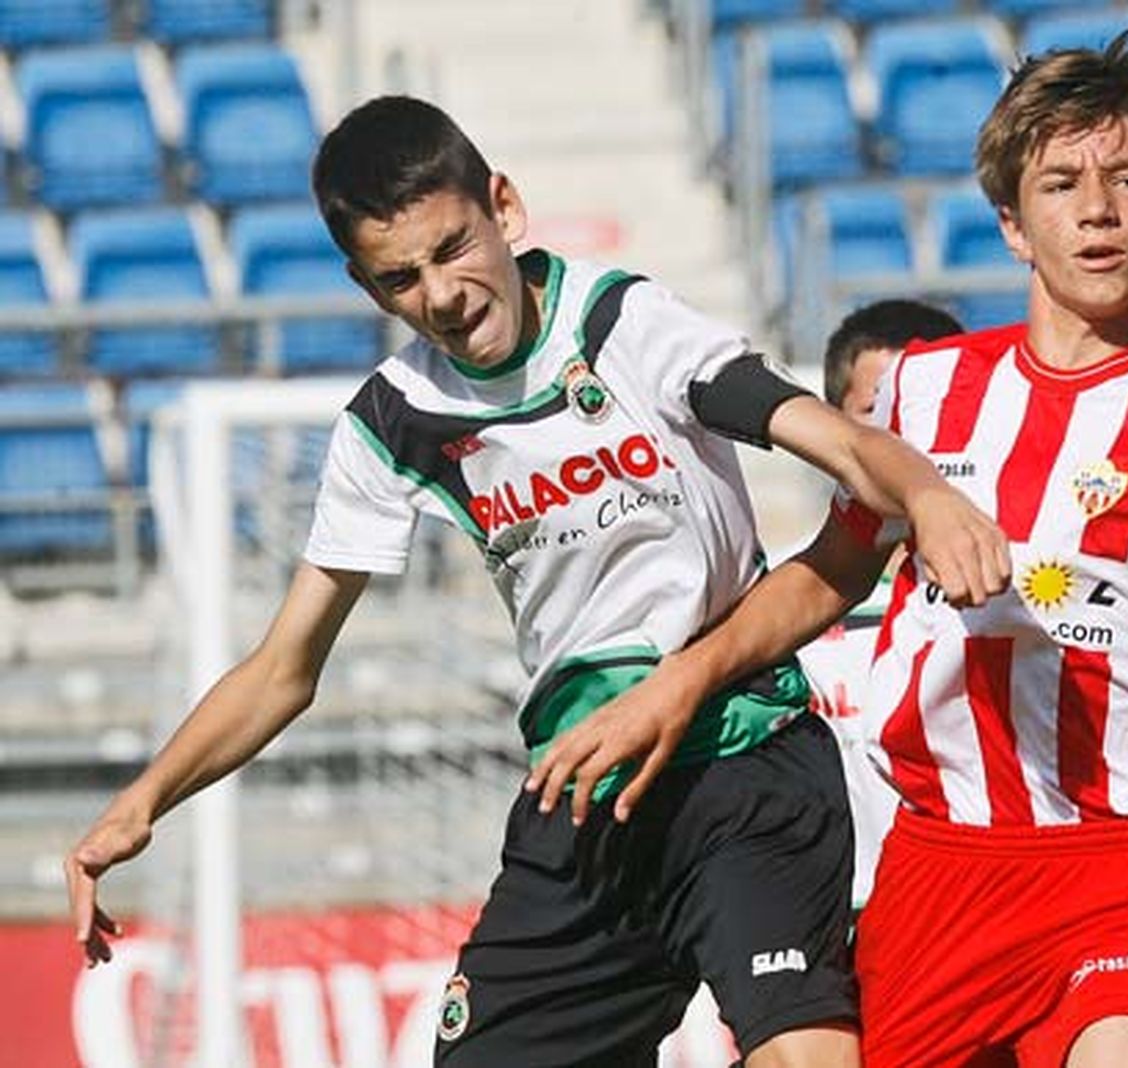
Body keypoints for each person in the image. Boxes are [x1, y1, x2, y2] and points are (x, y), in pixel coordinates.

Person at [529, 31, 1128, 1068]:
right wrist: (680, 682)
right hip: (940, 868)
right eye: (1061, 183)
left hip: (1124, 867)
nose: (1097, 209)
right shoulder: (922, 392)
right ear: (1012, 224)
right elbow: (828, 576)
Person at [62, 96, 1013, 1068]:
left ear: (503, 209)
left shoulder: (622, 325)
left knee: (800, 1055)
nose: (442, 293)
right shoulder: (395, 422)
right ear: (366, 286)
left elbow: (832, 434)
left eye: (451, 248)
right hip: (585, 790)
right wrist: (140, 803)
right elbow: (282, 668)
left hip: (742, 759)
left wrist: (928, 498)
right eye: (401, 278)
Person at [801, 298, 966, 910]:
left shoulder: (1022, 579)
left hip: (986, 907)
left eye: (927, 411)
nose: (907, 440)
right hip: (837, 923)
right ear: (832, 427)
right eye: (878, 413)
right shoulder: (787, 594)